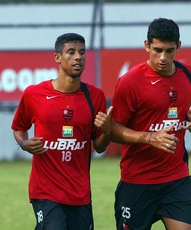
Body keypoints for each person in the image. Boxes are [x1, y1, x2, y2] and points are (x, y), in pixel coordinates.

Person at [11, 33, 112, 230]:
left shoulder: (95, 96)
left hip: (80, 194)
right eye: (71, 52)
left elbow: (99, 147)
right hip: (45, 192)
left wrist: (107, 131)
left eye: (82, 52)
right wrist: (24, 144)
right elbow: (18, 127)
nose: (78, 57)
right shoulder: (34, 94)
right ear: (57, 57)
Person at [111, 18, 191, 230]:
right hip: (137, 181)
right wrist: (149, 137)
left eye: (169, 50)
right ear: (147, 46)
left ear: (178, 47)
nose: (163, 57)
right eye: (157, 50)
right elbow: (113, 130)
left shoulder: (188, 75)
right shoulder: (130, 81)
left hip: (177, 179)